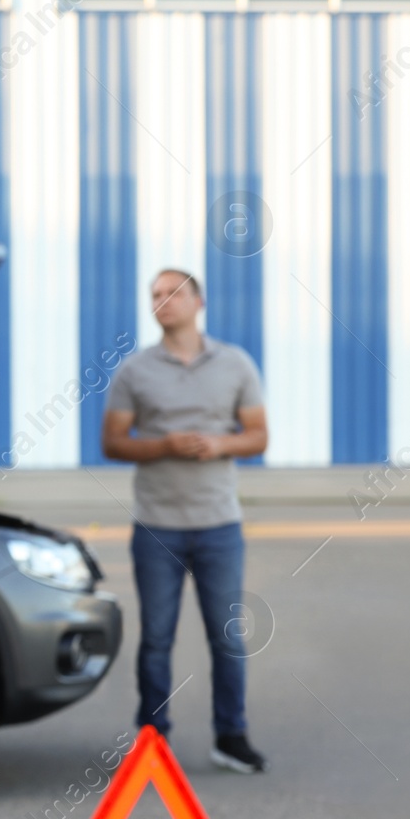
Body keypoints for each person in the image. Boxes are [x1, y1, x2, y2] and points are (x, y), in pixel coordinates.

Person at [101, 268, 269, 774]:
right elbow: (112, 443)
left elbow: (258, 436)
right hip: (157, 525)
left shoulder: (235, 363)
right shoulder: (135, 371)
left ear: (199, 301)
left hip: (219, 525)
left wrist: (219, 444)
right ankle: (154, 739)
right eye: (154, 295)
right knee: (156, 638)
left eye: (173, 293)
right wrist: (163, 446)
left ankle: (231, 735)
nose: (162, 302)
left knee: (227, 636)